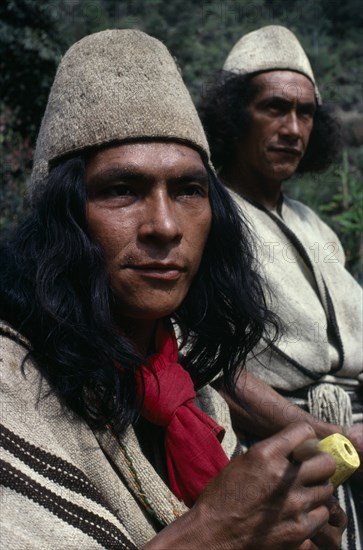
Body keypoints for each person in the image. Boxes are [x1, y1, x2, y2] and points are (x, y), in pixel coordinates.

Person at [0, 29, 346, 549]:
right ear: (62, 217)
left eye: (188, 190)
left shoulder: (194, 392)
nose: (165, 225)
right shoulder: (14, 384)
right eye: (122, 190)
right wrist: (213, 532)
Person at [199, 24, 363, 549]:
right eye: (274, 107)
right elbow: (212, 365)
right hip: (282, 460)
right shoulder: (207, 214)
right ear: (233, 114)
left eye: (306, 112)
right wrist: (328, 441)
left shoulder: (317, 226)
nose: (292, 127)